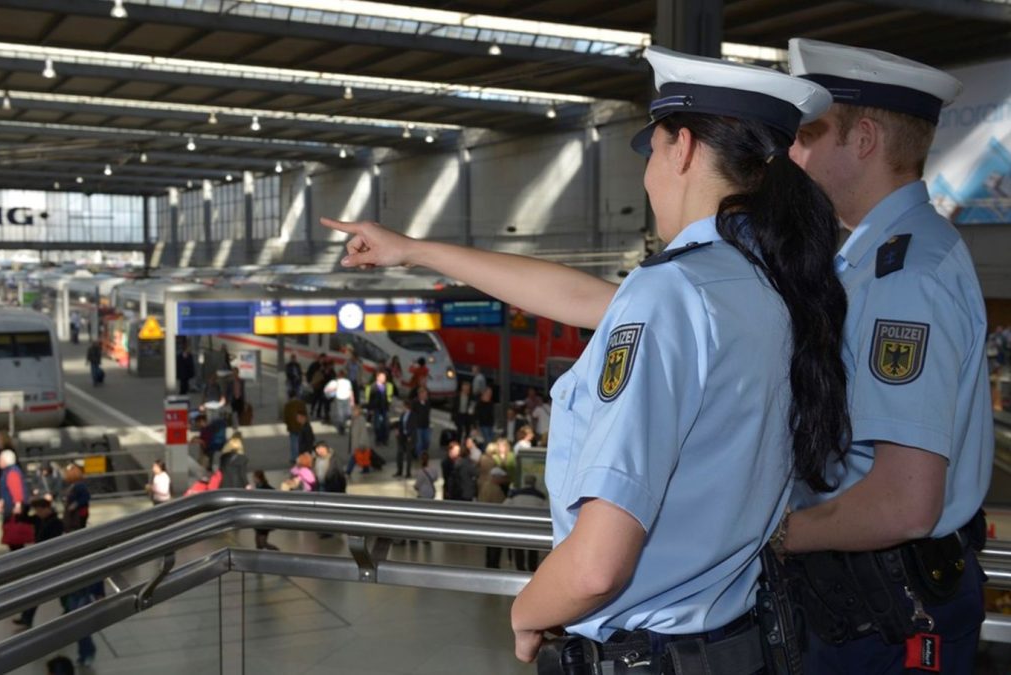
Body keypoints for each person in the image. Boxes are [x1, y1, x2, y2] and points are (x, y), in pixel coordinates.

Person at [321, 46, 851, 671]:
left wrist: (526, 613)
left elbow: (599, 565)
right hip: (736, 641)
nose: (649, 173)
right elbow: (578, 297)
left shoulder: (674, 291)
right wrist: (414, 251)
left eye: (652, 151)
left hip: (649, 655)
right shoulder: (760, 285)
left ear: (681, 149)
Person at [783, 38, 993, 674]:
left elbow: (905, 502)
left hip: (884, 618)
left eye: (809, 135)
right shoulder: (876, 261)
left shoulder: (906, 276)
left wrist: (766, 537)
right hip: (865, 604)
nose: (792, 153)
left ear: (865, 139)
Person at [14, 497, 64, 628]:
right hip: (41, 561)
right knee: (37, 589)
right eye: (35, 510)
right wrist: (26, 506)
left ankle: (69, 609)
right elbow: (22, 519)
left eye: (39, 510)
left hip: (51, 562)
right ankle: (27, 617)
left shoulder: (56, 523)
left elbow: (53, 542)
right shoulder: (38, 519)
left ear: (47, 509)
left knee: (61, 589)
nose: (37, 513)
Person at [505, 475, 548, 572]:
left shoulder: (515, 494)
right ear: (534, 483)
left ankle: (520, 568)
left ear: (524, 482)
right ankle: (532, 568)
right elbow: (546, 510)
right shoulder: (540, 496)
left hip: (518, 525)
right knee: (533, 548)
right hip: (534, 526)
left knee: (518, 548)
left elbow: (505, 506)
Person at [0, 449, 29, 551]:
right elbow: (6, 490)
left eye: (0, 459)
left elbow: (16, 489)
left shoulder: (12, 472)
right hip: (9, 504)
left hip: (12, 507)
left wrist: (17, 504)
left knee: (14, 533)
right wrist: (1, 503)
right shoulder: (8, 471)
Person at [248, 470, 279, 551]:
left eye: (254, 478)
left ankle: (275, 550)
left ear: (257, 478)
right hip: (261, 519)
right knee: (259, 543)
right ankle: (261, 556)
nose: (253, 479)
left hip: (263, 520)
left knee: (261, 543)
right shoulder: (262, 487)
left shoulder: (261, 488)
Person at [365, 370, 394, 446]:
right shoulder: (373, 387)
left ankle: (384, 439)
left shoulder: (385, 386)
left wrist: (388, 405)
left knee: (385, 425)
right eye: (382, 377)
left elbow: (386, 398)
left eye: (384, 377)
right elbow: (370, 399)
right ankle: (378, 439)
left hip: (384, 408)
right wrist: (370, 409)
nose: (384, 378)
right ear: (377, 377)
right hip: (377, 408)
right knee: (377, 425)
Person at [62, 464, 90, 533]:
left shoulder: (79, 486)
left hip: (78, 513)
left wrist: (76, 504)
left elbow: (86, 497)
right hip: (77, 513)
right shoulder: (74, 485)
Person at [409, 386, 431, 459]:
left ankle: (423, 453)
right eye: (424, 394)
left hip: (426, 425)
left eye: (426, 394)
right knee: (419, 443)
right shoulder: (415, 402)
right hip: (418, 426)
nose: (425, 396)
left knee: (426, 441)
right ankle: (419, 456)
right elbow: (412, 414)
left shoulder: (427, 402)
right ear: (420, 394)